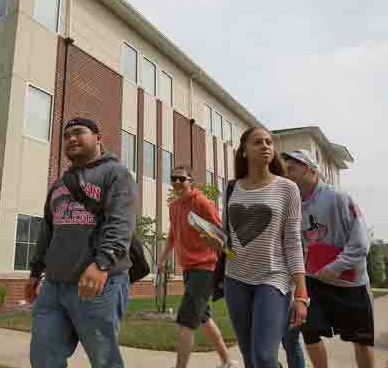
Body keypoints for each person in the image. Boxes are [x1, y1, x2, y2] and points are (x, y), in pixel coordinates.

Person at [26, 117, 137, 368]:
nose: (71, 138)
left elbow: (121, 223)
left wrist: (102, 263)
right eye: (66, 136)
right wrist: (35, 271)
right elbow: (48, 230)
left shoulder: (116, 173)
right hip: (53, 286)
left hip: (98, 283)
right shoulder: (59, 184)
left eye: (78, 132)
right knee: (43, 356)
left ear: (98, 138)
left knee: (103, 360)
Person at [221, 126, 309, 368]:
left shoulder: (287, 188)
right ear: (244, 150)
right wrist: (216, 242)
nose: (265, 146)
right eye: (258, 142)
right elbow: (228, 239)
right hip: (235, 279)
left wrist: (302, 294)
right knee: (250, 358)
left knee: (263, 356)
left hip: (273, 278)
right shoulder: (231, 188)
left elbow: (293, 242)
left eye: (269, 142)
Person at [282, 149, 374, 368]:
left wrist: (336, 267)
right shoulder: (293, 206)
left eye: (292, 169)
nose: (287, 174)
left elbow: (361, 242)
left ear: (312, 171)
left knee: (361, 341)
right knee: (310, 333)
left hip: (350, 285)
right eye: (286, 170)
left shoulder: (340, 198)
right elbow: (296, 246)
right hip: (314, 282)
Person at [156, 165, 237, 368]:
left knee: (186, 319)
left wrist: (225, 260)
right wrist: (162, 257)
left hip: (205, 268)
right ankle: (227, 360)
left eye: (181, 178)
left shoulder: (202, 202)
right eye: (173, 178)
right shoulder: (173, 206)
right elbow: (173, 234)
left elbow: (220, 234)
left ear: (191, 181)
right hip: (188, 269)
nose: (177, 182)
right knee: (203, 318)